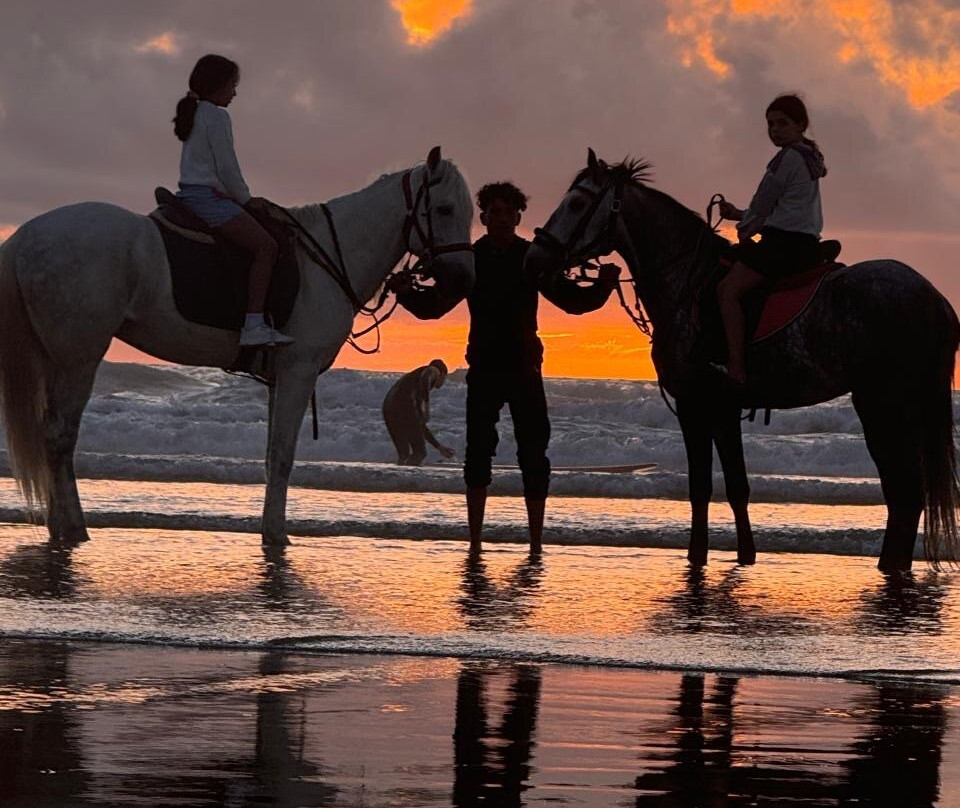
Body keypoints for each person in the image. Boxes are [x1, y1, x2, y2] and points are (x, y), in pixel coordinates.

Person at [463, 181, 620, 553]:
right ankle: (473, 543)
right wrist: (404, 292)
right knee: (477, 453)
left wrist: (603, 286)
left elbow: (571, 301)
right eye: (494, 212)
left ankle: (536, 543)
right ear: (483, 217)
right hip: (484, 367)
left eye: (508, 212)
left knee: (534, 455)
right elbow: (435, 303)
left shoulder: (531, 257)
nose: (501, 219)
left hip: (524, 369)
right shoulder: (471, 258)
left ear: (520, 216)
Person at [173, 54, 293, 348]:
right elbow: (227, 168)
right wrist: (247, 200)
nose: (235, 93)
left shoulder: (197, 112)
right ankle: (253, 324)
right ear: (217, 86)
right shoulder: (216, 115)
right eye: (232, 86)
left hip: (190, 193)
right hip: (208, 198)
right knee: (267, 247)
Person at [715, 93, 828, 384]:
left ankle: (736, 368)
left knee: (727, 291)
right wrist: (740, 214)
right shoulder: (809, 157)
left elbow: (764, 203)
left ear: (801, 125)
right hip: (804, 242)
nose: (775, 129)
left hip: (782, 244)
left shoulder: (786, 159)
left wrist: (745, 228)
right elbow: (783, 207)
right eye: (770, 124)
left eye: (782, 123)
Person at [382, 359, 455, 465]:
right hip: (402, 406)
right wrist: (425, 404)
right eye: (445, 379)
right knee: (419, 453)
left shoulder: (414, 385)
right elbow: (427, 376)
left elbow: (419, 425)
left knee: (404, 454)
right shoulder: (434, 370)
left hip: (388, 408)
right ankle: (410, 479)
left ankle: (400, 479)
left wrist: (439, 447)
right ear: (443, 374)